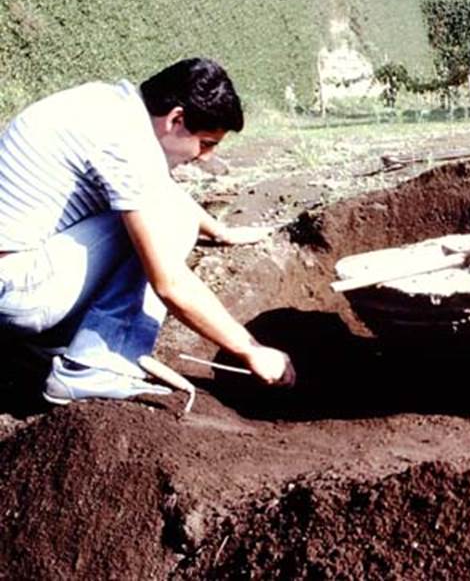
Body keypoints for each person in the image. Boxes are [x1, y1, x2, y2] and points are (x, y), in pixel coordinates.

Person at [0, 57, 295, 404]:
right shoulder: (127, 145)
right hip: (20, 292)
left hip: (20, 274)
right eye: (206, 142)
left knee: (163, 209)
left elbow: (157, 185)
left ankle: (60, 342)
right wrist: (251, 349)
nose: (204, 156)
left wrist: (220, 232)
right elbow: (168, 283)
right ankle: (93, 368)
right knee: (165, 220)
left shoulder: (111, 107)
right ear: (177, 119)